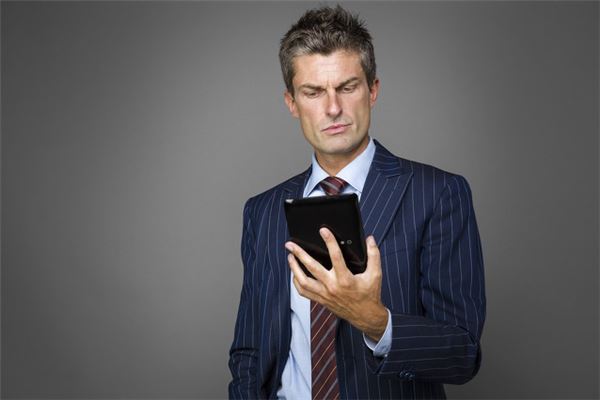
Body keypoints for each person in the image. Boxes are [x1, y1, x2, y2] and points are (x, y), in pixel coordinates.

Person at [228, 5, 485, 399]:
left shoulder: (438, 194)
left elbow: (462, 354)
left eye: (347, 87)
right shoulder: (262, 212)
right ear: (292, 102)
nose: (333, 108)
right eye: (313, 92)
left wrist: (374, 321)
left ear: (372, 90)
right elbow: (250, 352)